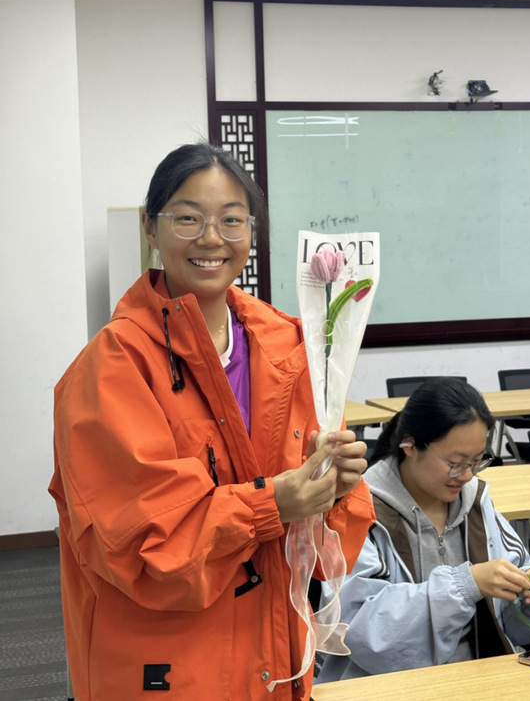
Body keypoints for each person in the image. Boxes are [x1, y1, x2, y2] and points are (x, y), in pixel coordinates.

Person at [49, 142, 374, 700]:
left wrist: (334, 488)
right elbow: (144, 549)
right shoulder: (113, 366)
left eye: (231, 220)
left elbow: (328, 554)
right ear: (151, 227)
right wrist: (274, 504)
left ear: (251, 232)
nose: (210, 239)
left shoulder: (289, 346)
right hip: (169, 664)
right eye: (188, 218)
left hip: (274, 655)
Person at [315, 377, 530, 683]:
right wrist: (465, 586)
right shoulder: (359, 511)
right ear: (410, 445)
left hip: (479, 678)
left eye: (477, 461)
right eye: (456, 462)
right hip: (386, 686)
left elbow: (516, 631)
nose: (467, 475)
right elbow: (362, 634)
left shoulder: (477, 504)